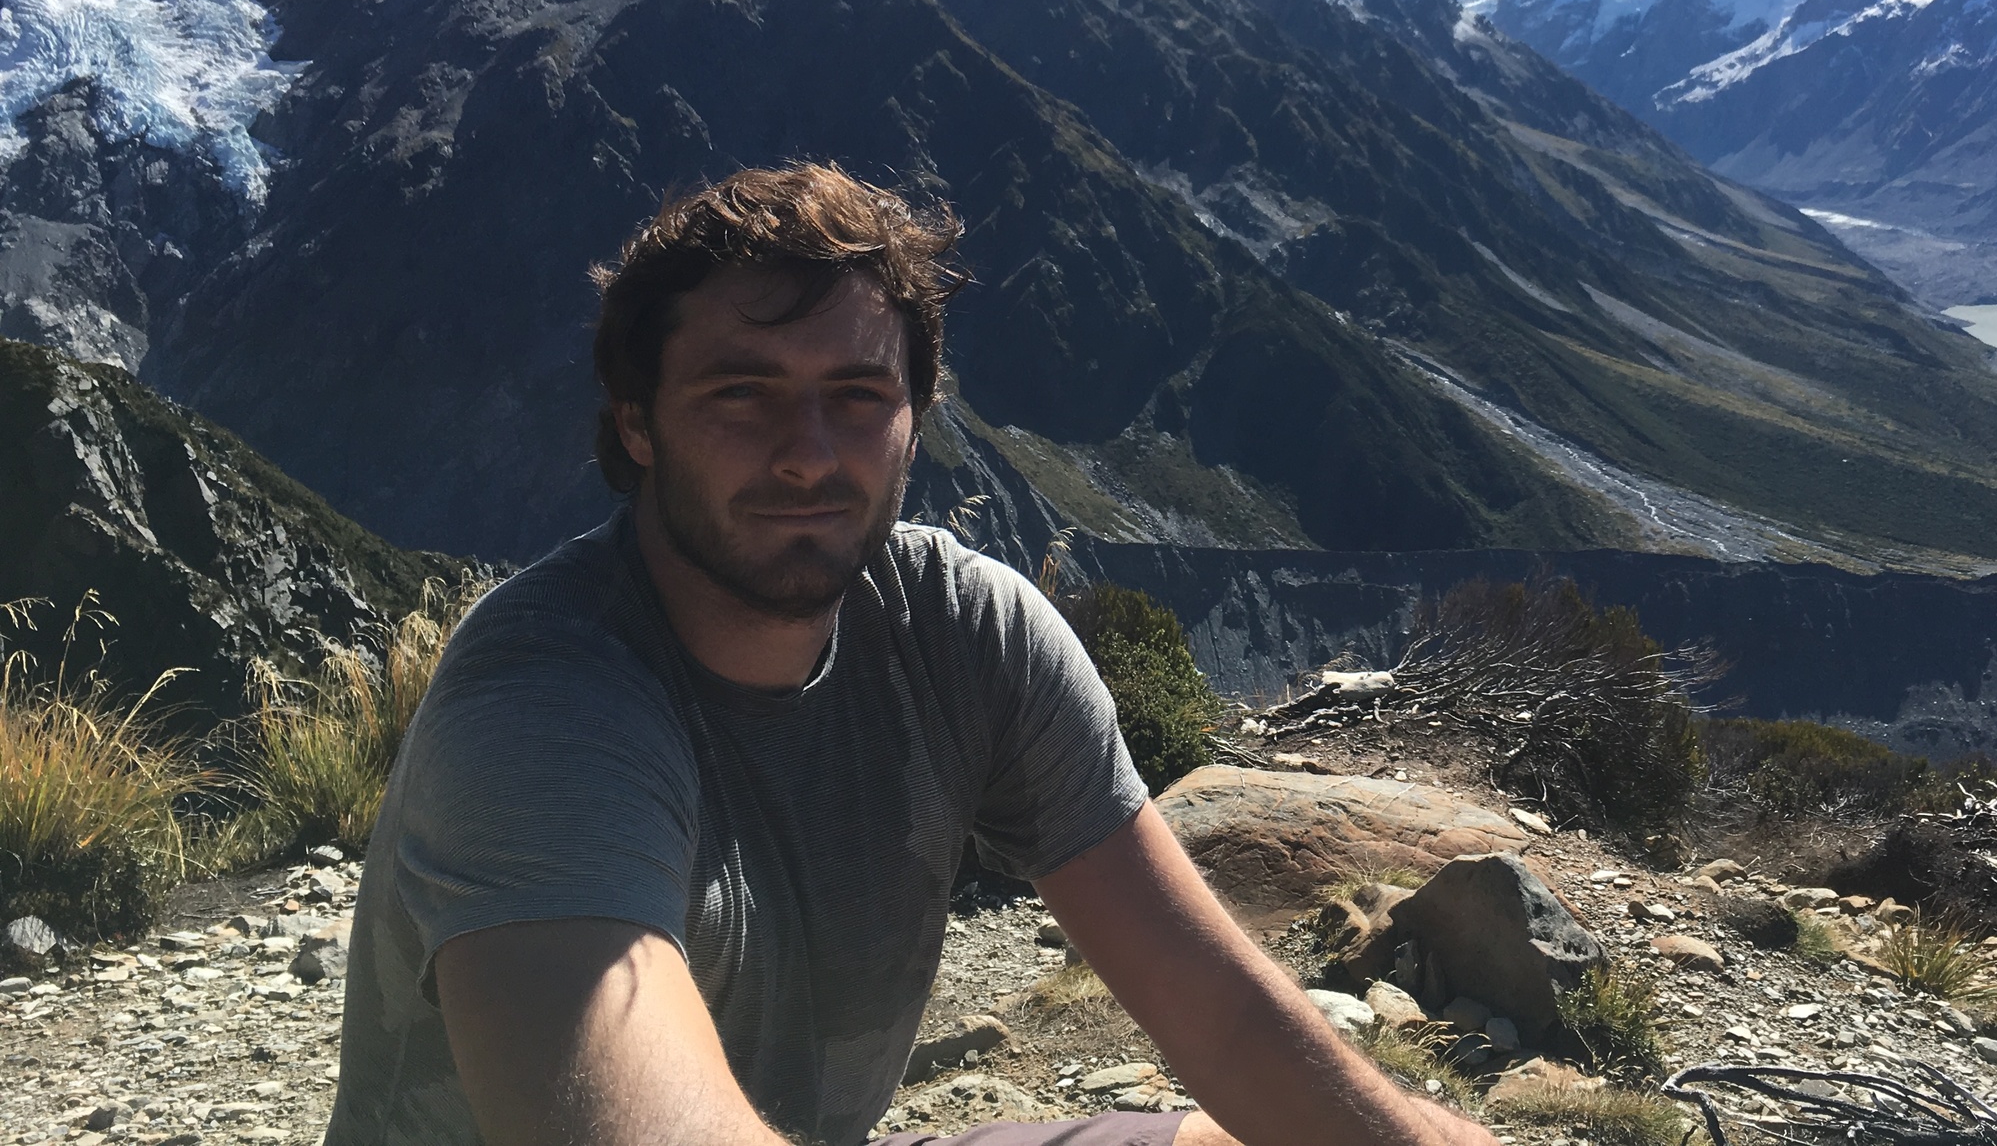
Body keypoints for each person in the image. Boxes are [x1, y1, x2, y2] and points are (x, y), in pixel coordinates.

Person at [327, 161, 1494, 1146]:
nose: (807, 454)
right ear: (637, 422)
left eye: (856, 394)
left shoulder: (967, 632)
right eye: (743, 393)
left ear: (915, 419)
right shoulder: (541, 709)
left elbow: (1227, 1023)